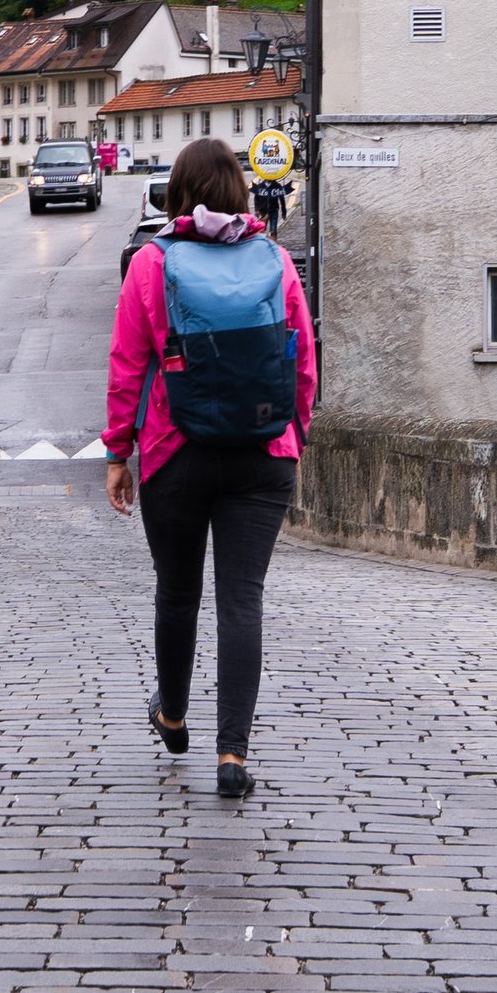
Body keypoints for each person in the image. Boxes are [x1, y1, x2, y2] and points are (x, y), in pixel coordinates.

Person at [102, 135, 317, 799]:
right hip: (261, 455)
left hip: (175, 452)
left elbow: (127, 364)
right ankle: (232, 755)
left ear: (178, 194)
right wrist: (290, 438)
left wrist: (118, 450)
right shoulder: (276, 259)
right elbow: (303, 361)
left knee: (177, 591)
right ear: (238, 192)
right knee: (241, 599)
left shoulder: (150, 263)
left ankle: (171, 712)